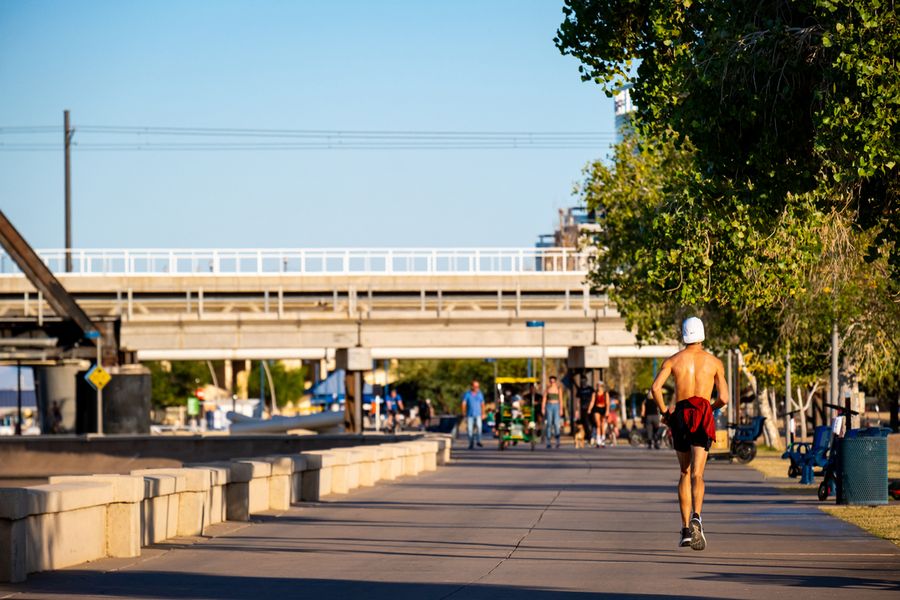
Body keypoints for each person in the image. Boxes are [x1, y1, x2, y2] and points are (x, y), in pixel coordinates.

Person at [650, 316, 728, 551]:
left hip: (681, 414)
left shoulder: (673, 361)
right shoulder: (714, 362)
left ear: (683, 335)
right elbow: (724, 398)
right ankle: (697, 516)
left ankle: (685, 529)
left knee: (684, 472)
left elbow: (655, 388)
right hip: (702, 413)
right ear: (702, 334)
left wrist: (665, 412)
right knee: (698, 474)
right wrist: (708, 409)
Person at [542, 375, 565, 449]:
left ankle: (557, 440)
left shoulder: (558, 389)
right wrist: (543, 408)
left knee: (556, 423)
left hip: (556, 406)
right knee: (549, 423)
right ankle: (548, 441)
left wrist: (561, 409)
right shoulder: (547, 389)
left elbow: (561, 399)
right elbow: (544, 398)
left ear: (555, 381)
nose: (552, 382)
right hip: (549, 405)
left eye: (553, 381)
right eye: (551, 381)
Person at [462, 379, 485, 449]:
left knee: (479, 427)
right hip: (470, 414)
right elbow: (464, 403)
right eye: (475, 386)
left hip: (478, 414)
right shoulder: (467, 394)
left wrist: (483, 413)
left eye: (478, 386)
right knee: (469, 429)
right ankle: (471, 442)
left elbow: (482, 404)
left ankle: (478, 441)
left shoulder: (480, 394)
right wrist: (463, 412)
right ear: (472, 386)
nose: (476, 388)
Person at [590, 382, 609, 447]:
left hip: (603, 408)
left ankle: (603, 440)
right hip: (596, 408)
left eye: (600, 386)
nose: (599, 387)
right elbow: (592, 402)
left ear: (602, 386)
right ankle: (598, 441)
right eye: (598, 386)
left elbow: (607, 403)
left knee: (602, 424)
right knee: (598, 424)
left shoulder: (605, 393)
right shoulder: (594, 393)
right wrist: (589, 409)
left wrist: (607, 411)